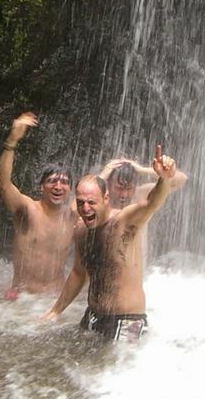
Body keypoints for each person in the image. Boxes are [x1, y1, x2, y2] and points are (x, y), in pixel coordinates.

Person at [41, 144, 179, 340]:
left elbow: (152, 203)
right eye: (80, 202)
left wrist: (164, 178)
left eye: (91, 202)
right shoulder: (81, 229)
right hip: (93, 316)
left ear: (106, 198)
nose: (85, 208)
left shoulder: (124, 221)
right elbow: (78, 274)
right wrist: (55, 311)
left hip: (127, 321)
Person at [0, 112, 76, 299]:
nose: (58, 186)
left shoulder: (73, 216)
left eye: (64, 182)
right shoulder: (28, 209)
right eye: (52, 181)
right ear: (42, 186)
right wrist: (12, 141)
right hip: (23, 298)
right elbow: (3, 183)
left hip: (55, 297)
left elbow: (101, 195)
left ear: (70, 190)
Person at [100, 155, 188, 208]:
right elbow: (87, 194)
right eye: (118, 188)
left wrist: (142, 170)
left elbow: (182, 179)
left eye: (129, 188)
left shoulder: (142, 194)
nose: (124, 194)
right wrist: (101, 177)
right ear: (108, 183)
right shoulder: (100, 198)